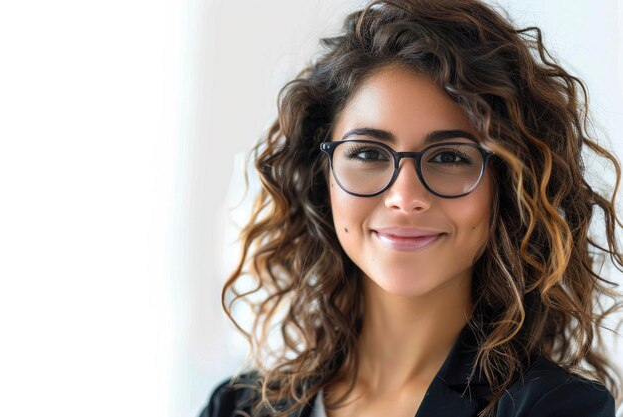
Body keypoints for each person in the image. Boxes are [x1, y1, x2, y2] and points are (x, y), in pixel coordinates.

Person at [201, 0, 623, 416]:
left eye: (449, 157)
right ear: (321, 175)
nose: (405, 197)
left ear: (510, 187)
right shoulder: (236, 407)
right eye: (368, 154)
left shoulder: (557, 409)